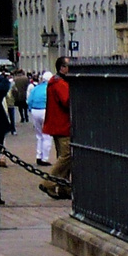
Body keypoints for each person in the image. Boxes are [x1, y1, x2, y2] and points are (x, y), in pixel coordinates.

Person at [39, 57, 72, 199]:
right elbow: (67, 101)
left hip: (57, 124)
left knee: (64, 157)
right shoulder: (60, 83)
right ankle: (49, 182)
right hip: (62, 124)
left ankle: (64, 187)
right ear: (62, 68)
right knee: (67, 156)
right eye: (69, 66)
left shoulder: (55, 82)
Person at [28, 71, 52, 165]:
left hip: (35, 110)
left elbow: (29, 100)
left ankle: (38, 156)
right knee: (47, 135)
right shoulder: (49, 88)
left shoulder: (36, 88)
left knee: (39, 135)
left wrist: (30, 109)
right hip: (45, 110)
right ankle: (45, 158)